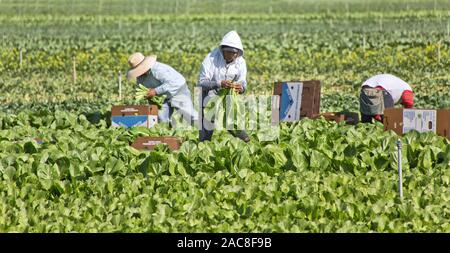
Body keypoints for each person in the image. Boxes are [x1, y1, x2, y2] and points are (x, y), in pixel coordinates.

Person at [197, 30, 250, 142]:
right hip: (208, 95)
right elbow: (202, 82)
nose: (232, 56)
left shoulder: (240, 62)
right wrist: (219, 84)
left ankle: (245, 140)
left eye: (234, 54)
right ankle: (204, 146)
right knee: (206, 125)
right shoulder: (211, 58)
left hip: (228, 97)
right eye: (229, 53)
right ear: (223, 51)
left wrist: (240, 88)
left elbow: (243, 82)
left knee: (233, 122)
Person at [127, 52, 198, 126]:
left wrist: (155, 91)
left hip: (177, 91)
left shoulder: (158, 69)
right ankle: (167, 136)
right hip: (161, 97)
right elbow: (142, 86)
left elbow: (171, 83)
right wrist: (147, 95)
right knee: (162, 121)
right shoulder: (140, 76)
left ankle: (205, 131)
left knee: (189, 115)